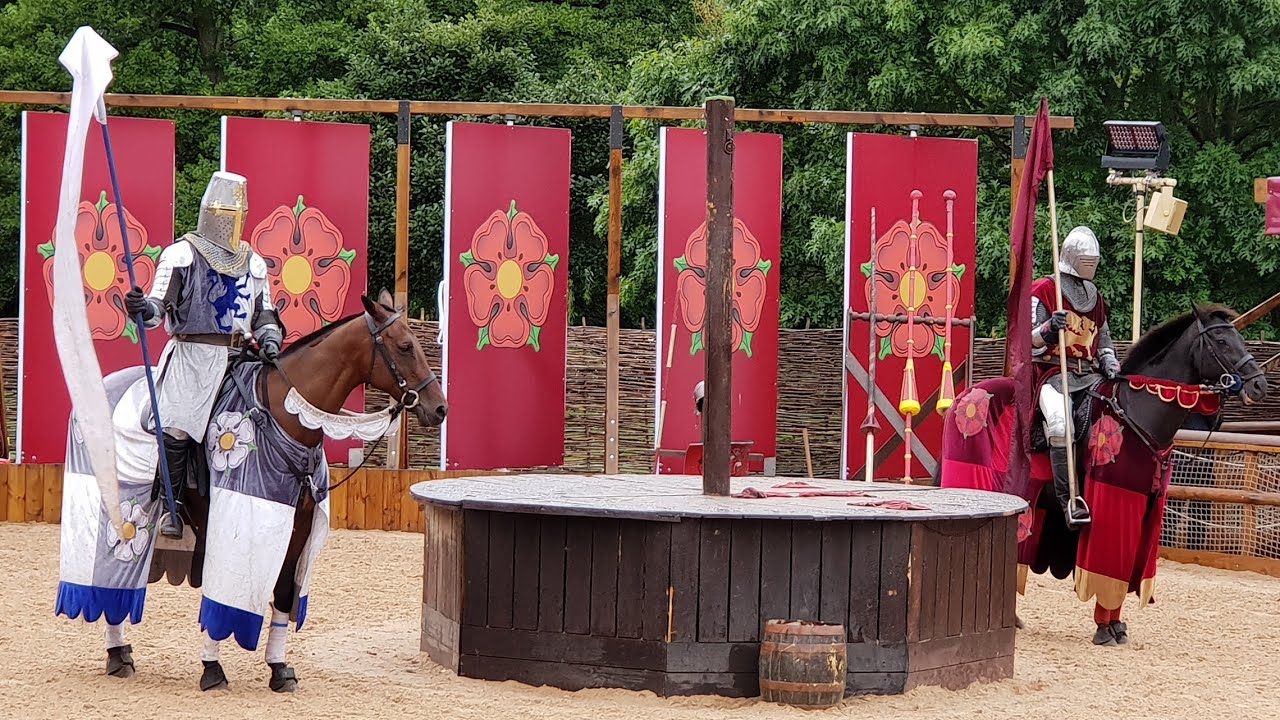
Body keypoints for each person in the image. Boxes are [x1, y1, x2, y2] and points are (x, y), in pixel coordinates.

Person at [124, 171, 283, 538]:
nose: (229, 221)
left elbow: (264, 314)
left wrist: (270, 338)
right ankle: (172, 507)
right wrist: (141, 308)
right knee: (177, 425)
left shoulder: (254, 263)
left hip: (241, 359)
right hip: (192, 358)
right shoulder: (182, 255)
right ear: (210, 211)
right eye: (224, 213)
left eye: (235, 213)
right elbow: (158, 309)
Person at [1030, 225, 1120, 528]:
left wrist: (1109, 361)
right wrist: (1047, 330)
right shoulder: (1044, 290)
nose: (1091, 265)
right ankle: (1069, 500)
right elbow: (1027, 339)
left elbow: (1103, 339)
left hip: (1089, 375)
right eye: (1086, 260)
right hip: (1052, 374)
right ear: (1072, 257)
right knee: (1060, 423)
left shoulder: (1095, 297)